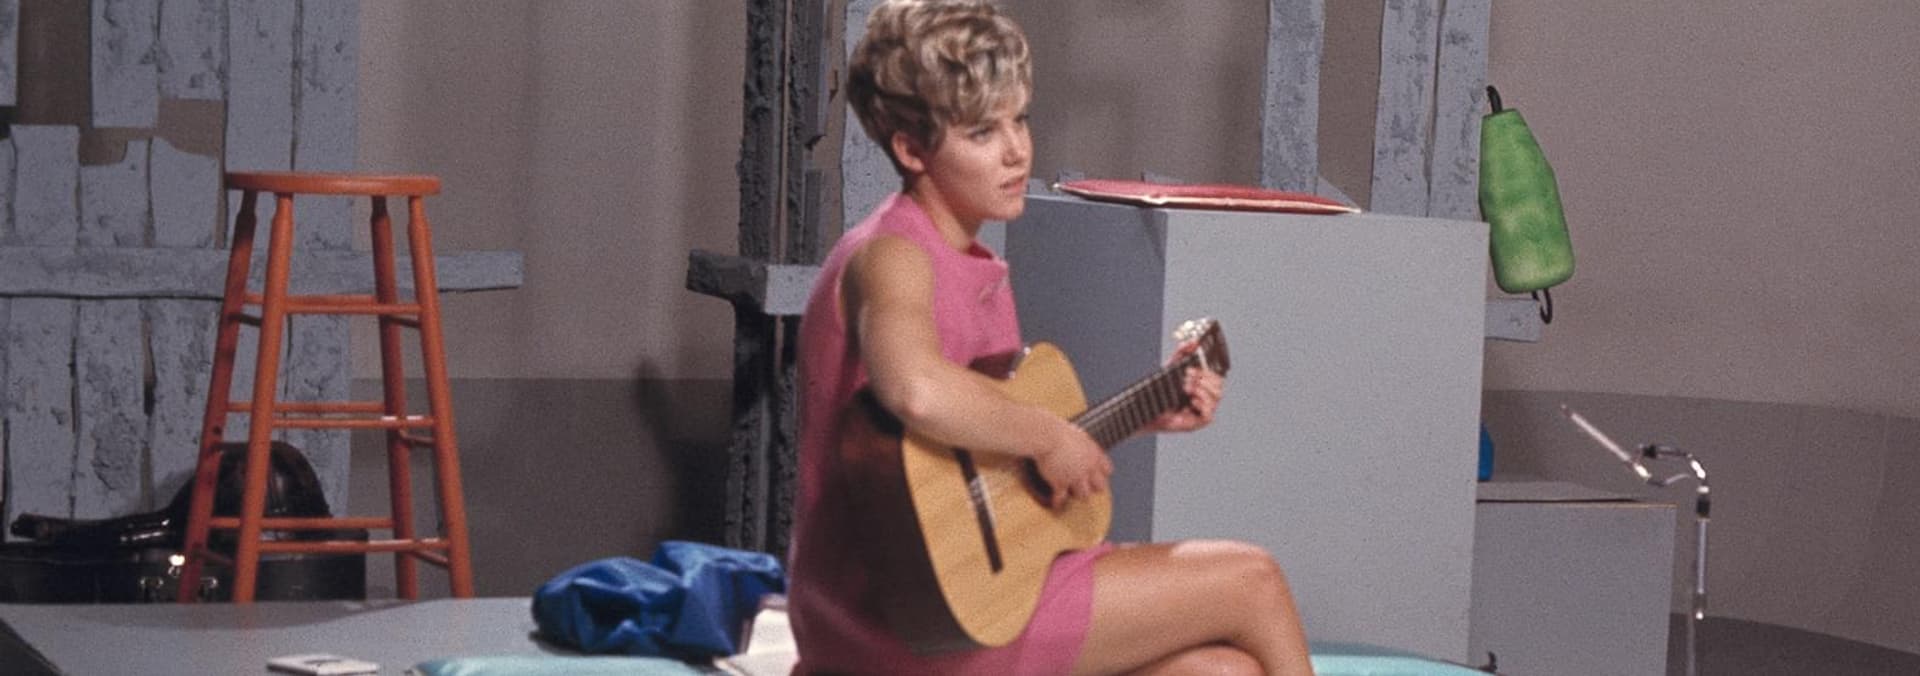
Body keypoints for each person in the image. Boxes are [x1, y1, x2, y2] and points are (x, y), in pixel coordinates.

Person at [787, 1, 1315, 673]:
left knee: (1222, 673)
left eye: (1021, 119)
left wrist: (1146, 413)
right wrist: (1048, 436)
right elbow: (917, 390)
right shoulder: (893, 255)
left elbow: (975, 454)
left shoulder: (972, 262)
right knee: (1251, 579)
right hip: (899, 620)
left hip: (961, 599)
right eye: (983, 131)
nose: (1017, 151)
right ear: (912, 149)